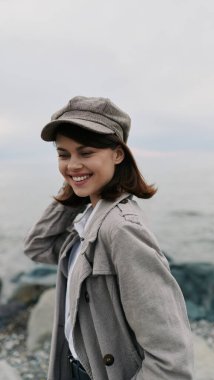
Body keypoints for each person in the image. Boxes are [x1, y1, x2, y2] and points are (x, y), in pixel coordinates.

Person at [24, 96, 194, 380]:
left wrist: (80, 180)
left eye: (86, 153)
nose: (72, 164)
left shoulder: (122, 229)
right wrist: (75, 187)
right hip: (76, 368)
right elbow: (38, 246)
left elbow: (172, 360)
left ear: (118, 154)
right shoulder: (89, 216)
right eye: (63, 155)